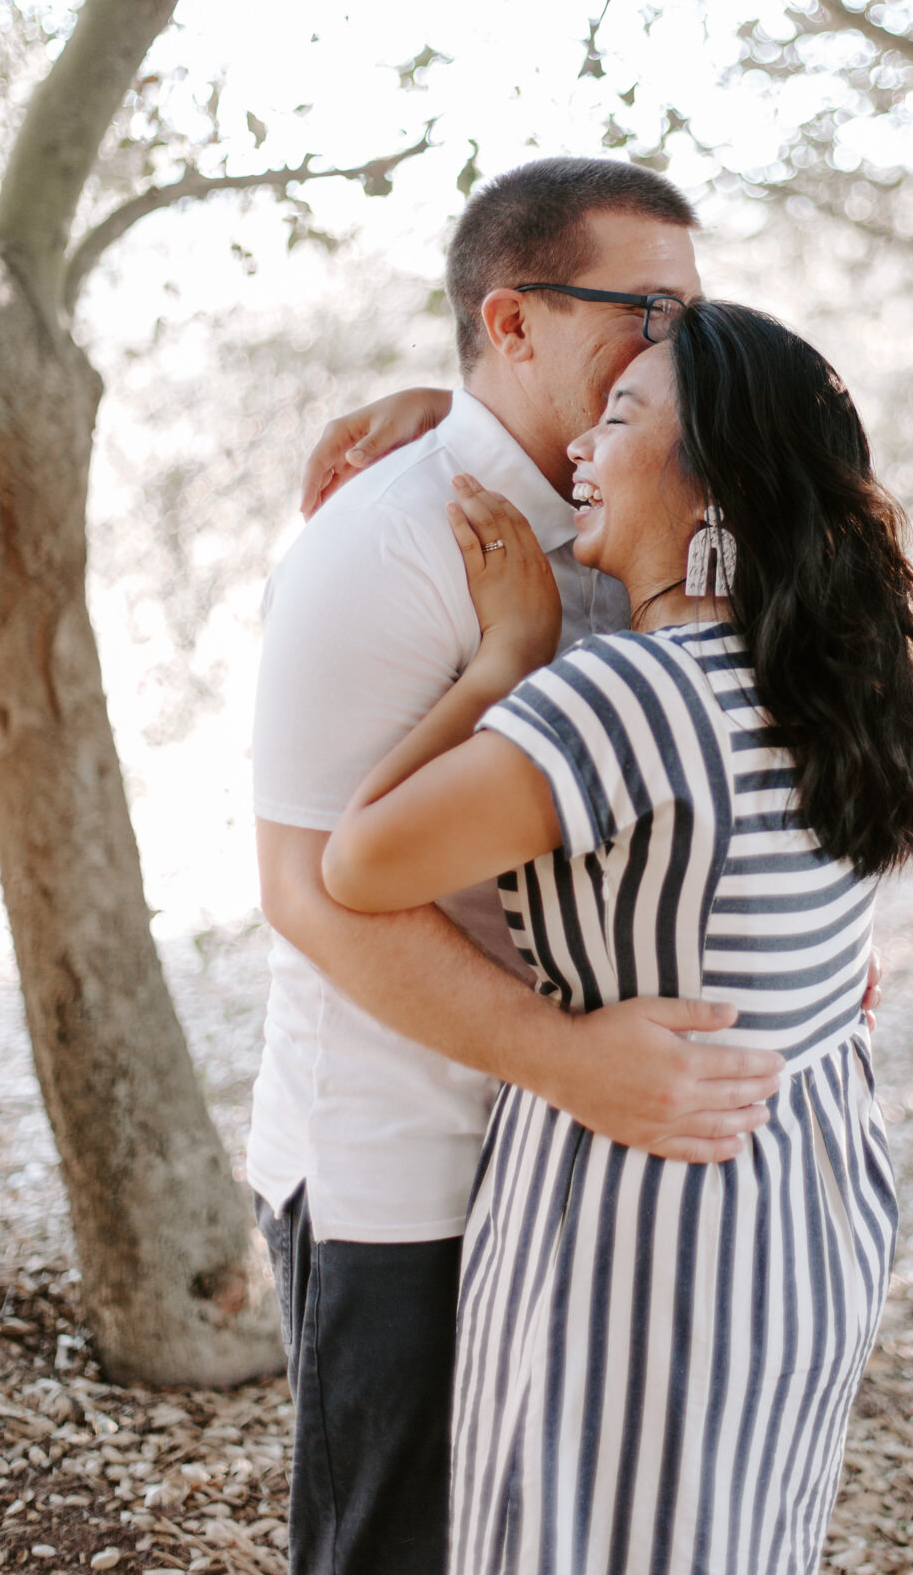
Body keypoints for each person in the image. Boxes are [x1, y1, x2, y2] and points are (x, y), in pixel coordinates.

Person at [317, 299, 913, 1575]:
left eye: (619, 417)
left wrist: (508, 652)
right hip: (805, 1204)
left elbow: (356, 861)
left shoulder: (630, 694)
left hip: (639, 1227)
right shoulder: (838, 682)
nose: (578, 453)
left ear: (713, 475)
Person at [249, 158, 796, 1575]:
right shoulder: (379, 544)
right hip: (412, 1171)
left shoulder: (660, 511)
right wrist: (570, 1062)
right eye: (647, 311)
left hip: (600, 1177)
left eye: (692, 311)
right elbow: (310, 890)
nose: (681, 345)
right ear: (514, 322)